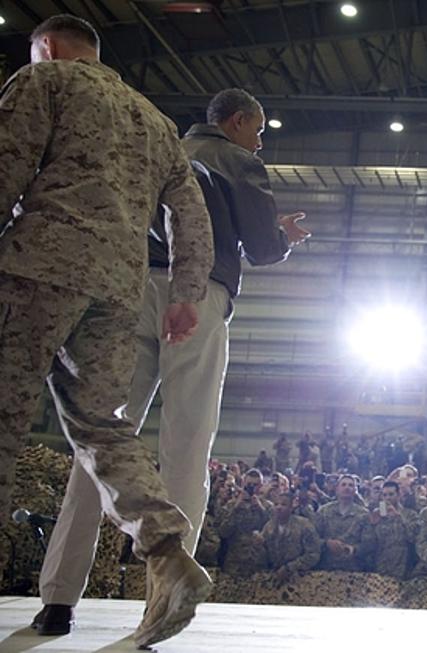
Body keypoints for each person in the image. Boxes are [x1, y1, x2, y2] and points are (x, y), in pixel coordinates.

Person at [35, 86, 310, 631]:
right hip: (198, 293)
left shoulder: (159, 145)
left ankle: (58, 599)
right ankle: (163, 600)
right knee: (185, 443)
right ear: (236, 123)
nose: (259, 143)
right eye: (257, 131)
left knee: (104, 442)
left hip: (127, 291)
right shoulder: (237, 161)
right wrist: (283, 238)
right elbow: (259, 246)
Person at [0, 14, 215, 647]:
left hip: (36, 267)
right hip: (118, 293)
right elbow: (190, 214)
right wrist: (185, 294)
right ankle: (169, 554)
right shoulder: (154, 120)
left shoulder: (47, 81)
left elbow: (6, 163)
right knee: (101, 425)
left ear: (50, 47)